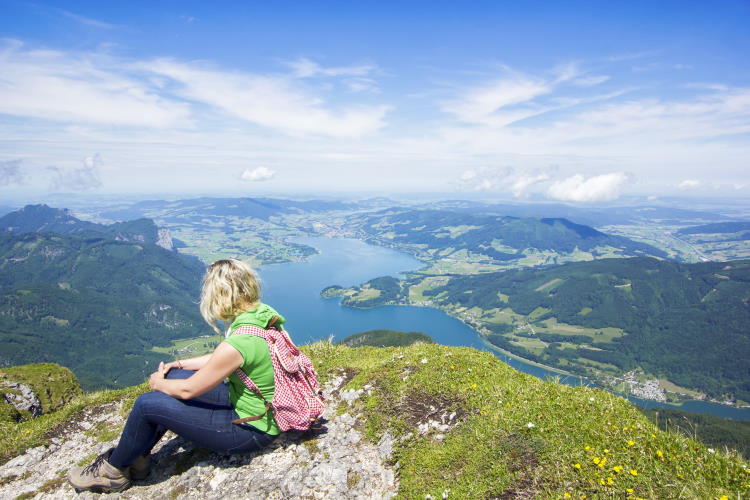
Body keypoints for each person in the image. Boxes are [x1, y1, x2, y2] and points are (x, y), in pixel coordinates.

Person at [68, 259, 283, 493]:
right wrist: (178, 364)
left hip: (250, 431)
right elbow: (225, 357)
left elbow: (188, 390)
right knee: (176, 376)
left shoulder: (241, 341)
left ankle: (112, 473)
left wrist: (158, 383)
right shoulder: (262, 316)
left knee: (146, 405)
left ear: (221, 293)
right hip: (255, 406)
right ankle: (137, 458)